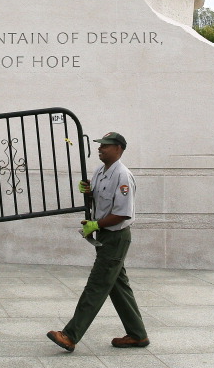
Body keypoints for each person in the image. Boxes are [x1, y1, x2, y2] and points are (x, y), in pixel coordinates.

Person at [47, 132, 149, 351]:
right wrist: (90, 193)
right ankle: (137, 334)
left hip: (115, 237)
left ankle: (70, 335)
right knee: (117, 286)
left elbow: (123, 213)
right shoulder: (100, 172)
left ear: (119, 149)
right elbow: (103, 200)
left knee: (97, 286)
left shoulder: (123, 176)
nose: (100, 149)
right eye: (100, 145)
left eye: (106, 146)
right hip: (106, 235)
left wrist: (96, 225)